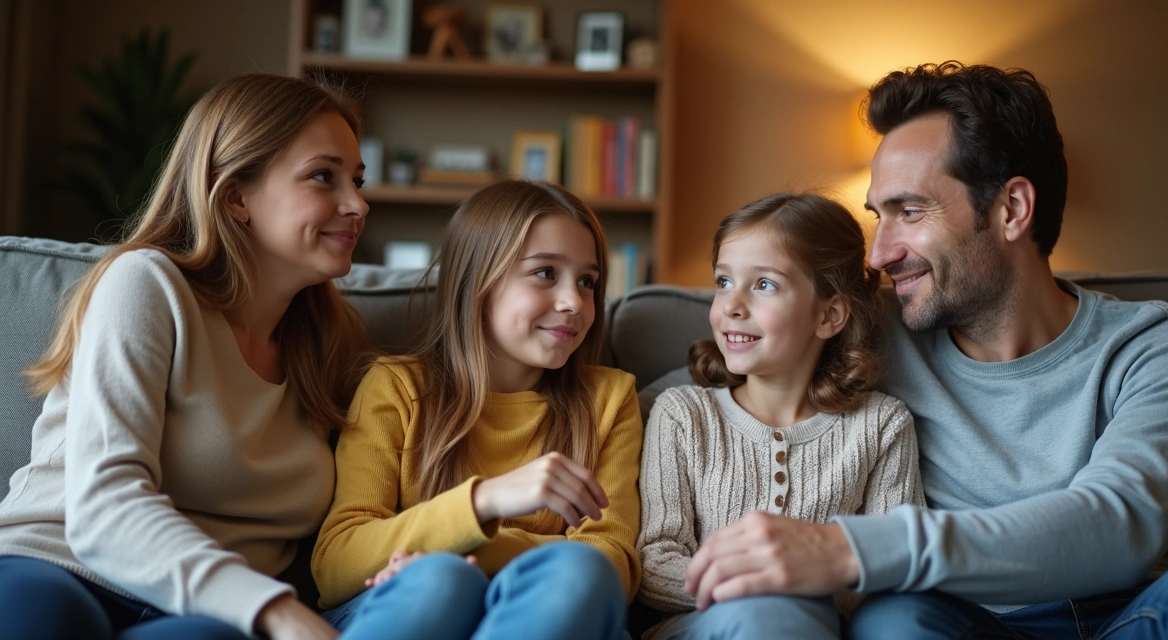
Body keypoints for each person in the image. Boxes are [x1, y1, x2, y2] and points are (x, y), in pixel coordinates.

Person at [680, 61, 1168, 639]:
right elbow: (719, 380)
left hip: (1135, 620)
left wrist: (849, 548)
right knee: (895, 619)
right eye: (877, 217)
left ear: (1011, 208)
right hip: (957, 625)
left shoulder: (1158, 345)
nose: (880, 254)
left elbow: (1120, 524)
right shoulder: (868, 326)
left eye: (909, 212)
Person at [0, 73, 371, 639]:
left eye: (358, 180)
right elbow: (103, 506)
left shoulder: (333, 343)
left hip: (205, 617)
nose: (358, 204)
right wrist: (274, 610)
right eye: (324, 176)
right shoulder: (147, 284)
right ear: (235, 197)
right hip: (61, 564)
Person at [311, 179, 642, 640]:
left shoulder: (609, 399)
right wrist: (486, 501)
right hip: (409, 605)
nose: (574, 303)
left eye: (587, 282)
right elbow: (336, 562)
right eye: (545, 272)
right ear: (477, 280)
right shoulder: (397, 387)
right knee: (441, 584)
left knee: (577, 570)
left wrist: (470, 548)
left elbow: (610, 561)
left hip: (554, 609)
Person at [635, 193, 925, 639]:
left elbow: (895, 562)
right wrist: (761, 588)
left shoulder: (882, 426)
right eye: (724, 282)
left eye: (764, 284)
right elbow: (655, 562)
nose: (732, 305)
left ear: (828, 315)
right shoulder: (683, 415)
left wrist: (807, 583)